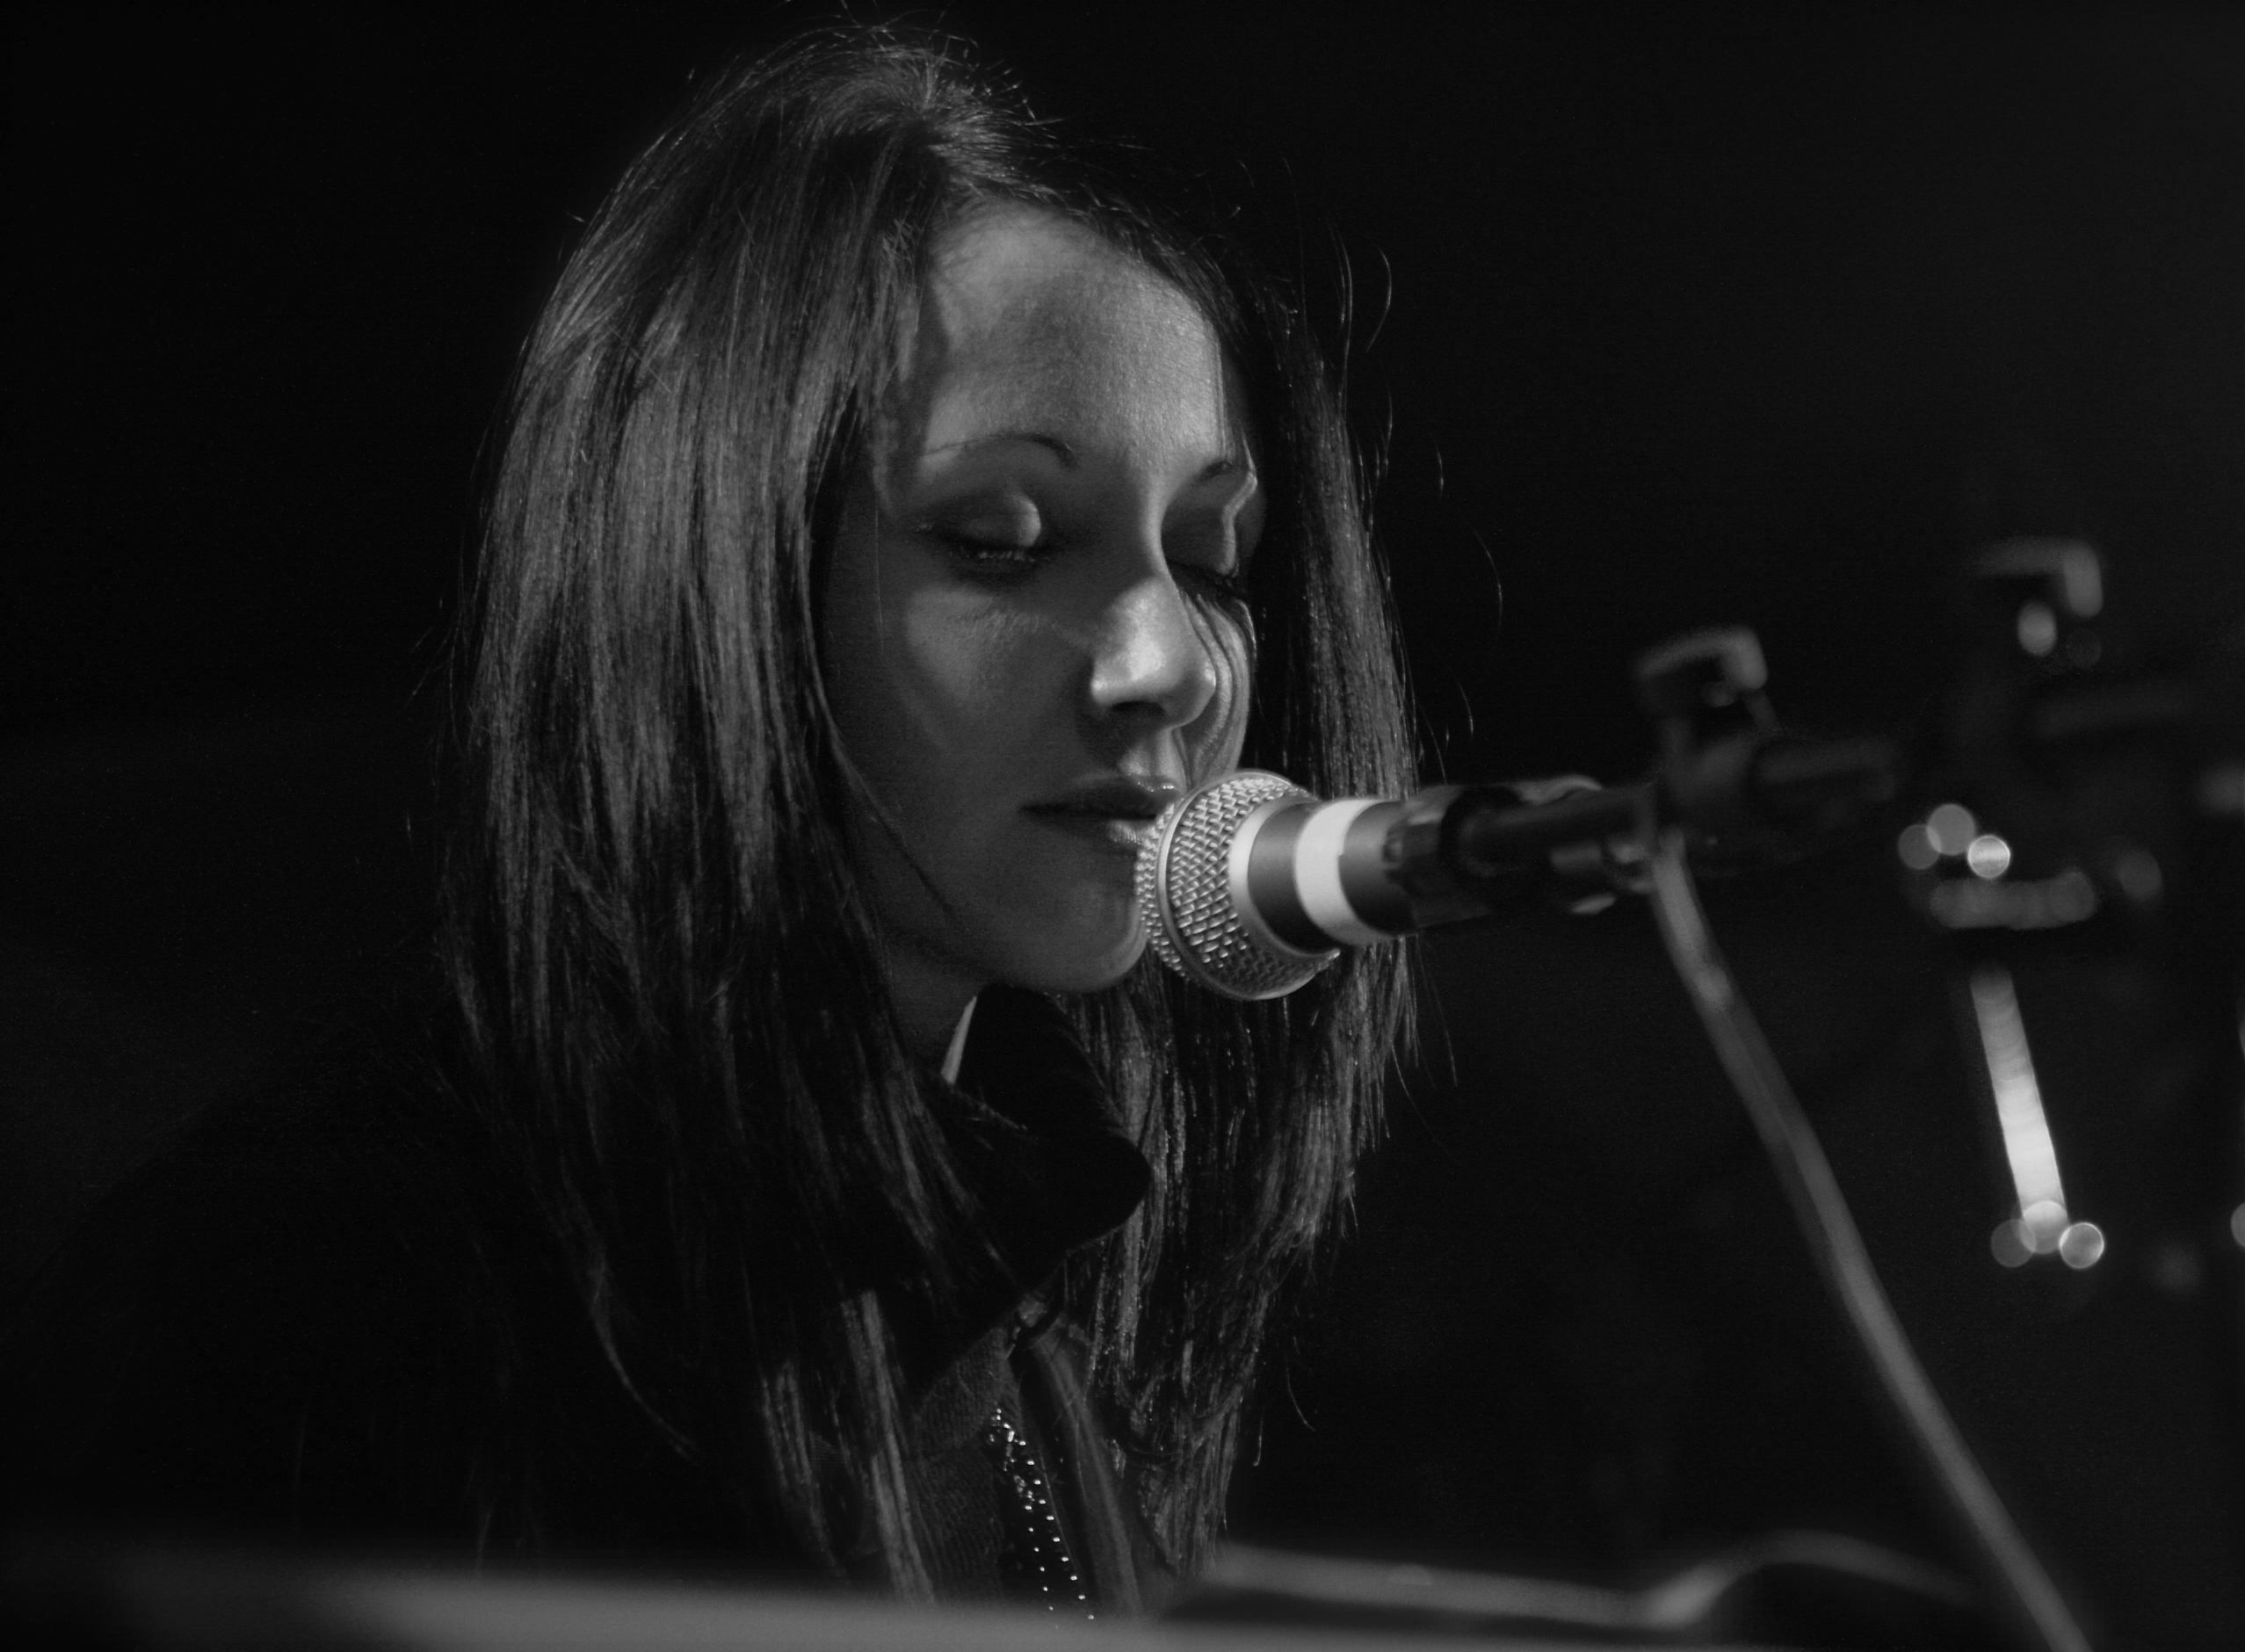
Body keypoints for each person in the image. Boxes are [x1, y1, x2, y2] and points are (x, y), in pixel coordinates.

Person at [1, 33, 1412, 1611]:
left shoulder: (1015, 1298)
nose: (1171, 666)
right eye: (1001, 538)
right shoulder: (309, 1294)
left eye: (1212, 561)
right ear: (713, 576)